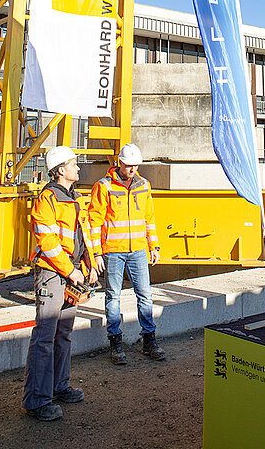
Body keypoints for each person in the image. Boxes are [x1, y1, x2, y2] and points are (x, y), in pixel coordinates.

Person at [22, 146, 98, 421]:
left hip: (71, 273)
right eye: (74, 164)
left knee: (62, 333)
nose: (78, 168)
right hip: (52, 273)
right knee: (45, 336)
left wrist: (88, 264)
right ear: (60, 170)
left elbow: (82, 234)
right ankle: (37, 401)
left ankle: (58, 386)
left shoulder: (73, 198)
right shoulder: (47, 199)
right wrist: (71, 271)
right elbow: (48, 242)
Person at [88, 143, 166, 365]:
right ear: (119, 163)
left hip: (138, 249)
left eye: (135, 166)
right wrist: (97, 254)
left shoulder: (143, 185)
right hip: (113, 251)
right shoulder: (104, 187)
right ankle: (115, 342)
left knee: (145, 295)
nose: (132, 170)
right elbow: (94, 222)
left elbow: (148, 218)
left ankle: (149, 340)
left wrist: (154, 246)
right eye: (128, 165)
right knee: (113, 296)